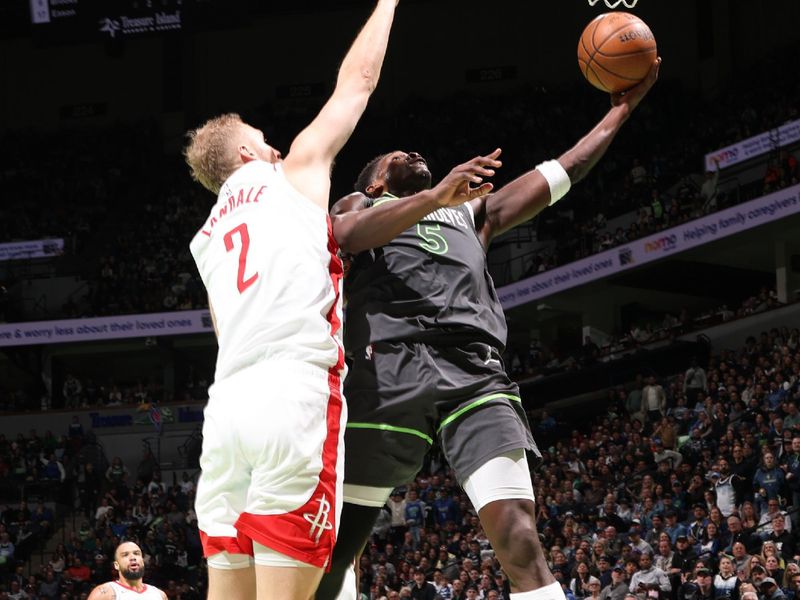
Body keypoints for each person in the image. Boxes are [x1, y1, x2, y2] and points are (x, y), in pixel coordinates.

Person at [316, 57, 662, 600]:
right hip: (387, 371)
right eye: (398, 154)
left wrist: (622, 109)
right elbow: (347, 236)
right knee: (337, 554)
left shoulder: (475, 212)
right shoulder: (362, 202)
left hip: (474, 372)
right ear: (378, 177)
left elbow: (561, 172)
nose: (415, 153)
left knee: (520, 536)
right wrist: (433, 197)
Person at [182, 2, 402, 599]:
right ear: (249, 156)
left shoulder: (206, 240)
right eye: (265, 142)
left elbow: (226, 331)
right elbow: (357, 82)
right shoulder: (292, 173)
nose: (278, 148)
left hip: (226, 411)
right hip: (291, 396)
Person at [87, 542, 166, 600]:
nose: (132, 557)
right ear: (116, 565)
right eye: (125, 555)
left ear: (142, 561)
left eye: (136, 553)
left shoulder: (159, 595)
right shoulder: (104, 594)